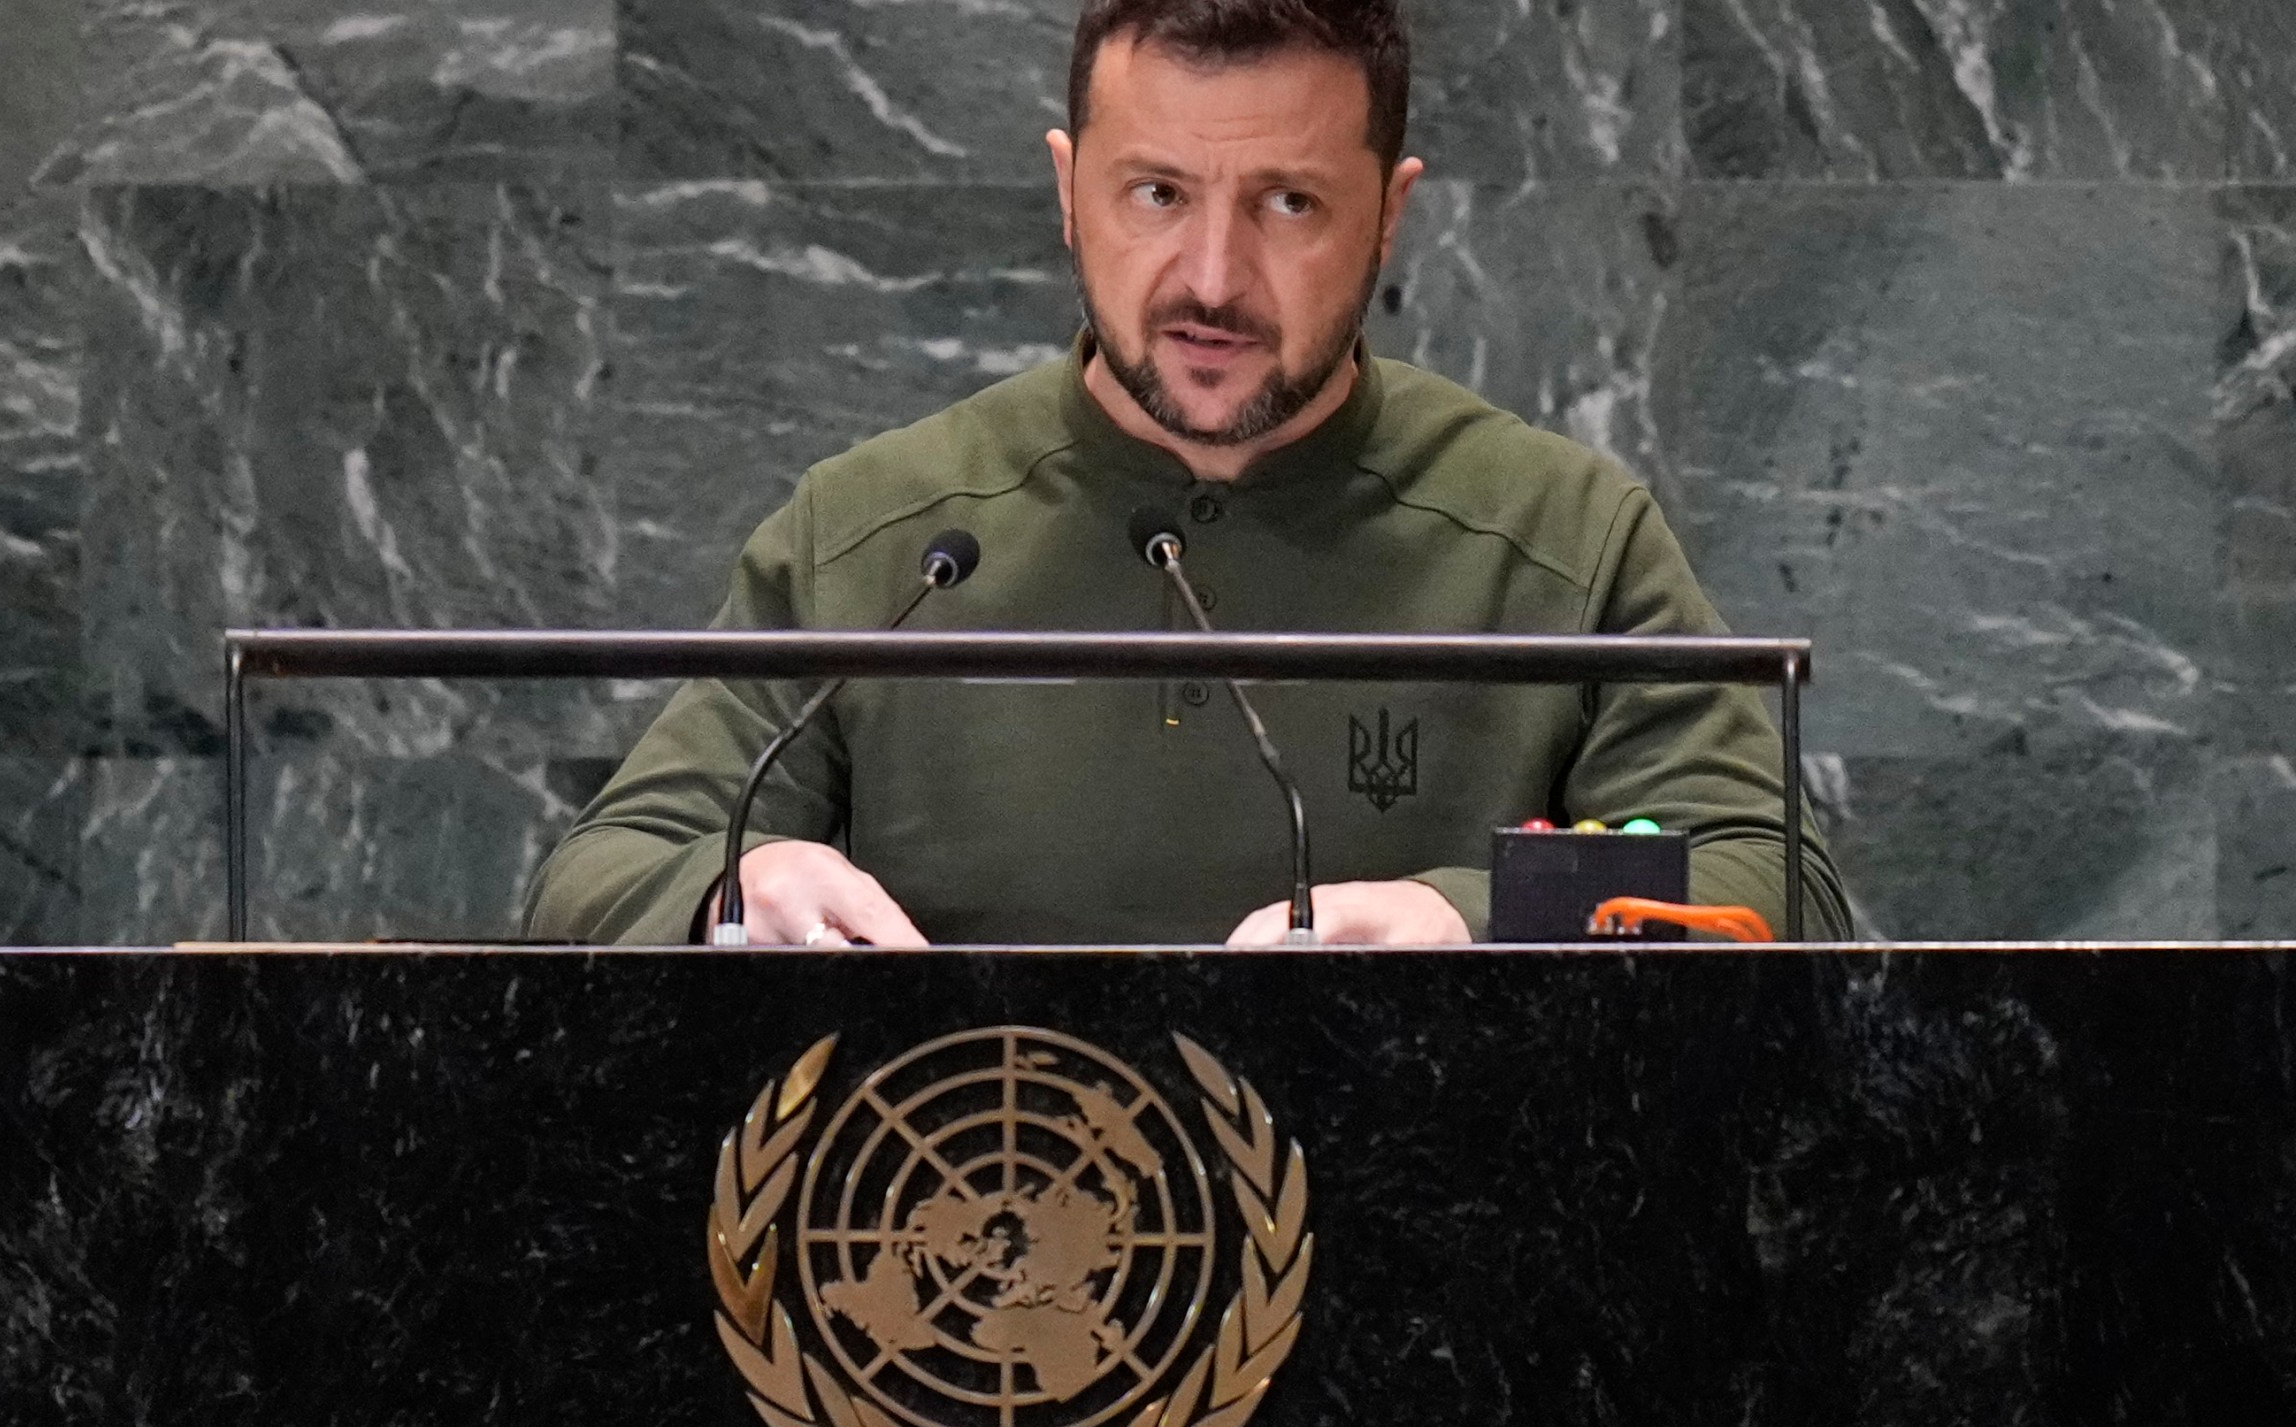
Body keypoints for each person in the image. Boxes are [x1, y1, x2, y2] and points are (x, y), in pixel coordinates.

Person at [526, 0, 1851, 947]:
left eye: (1288, 204)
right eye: (1156, 194)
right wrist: (735, 882)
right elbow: (603, 870)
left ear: (1391, 211)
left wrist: (1469, 914)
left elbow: (1772, 886)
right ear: (1067, 188)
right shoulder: (875, 536)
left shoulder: (1561, 537)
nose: (1212, 280)